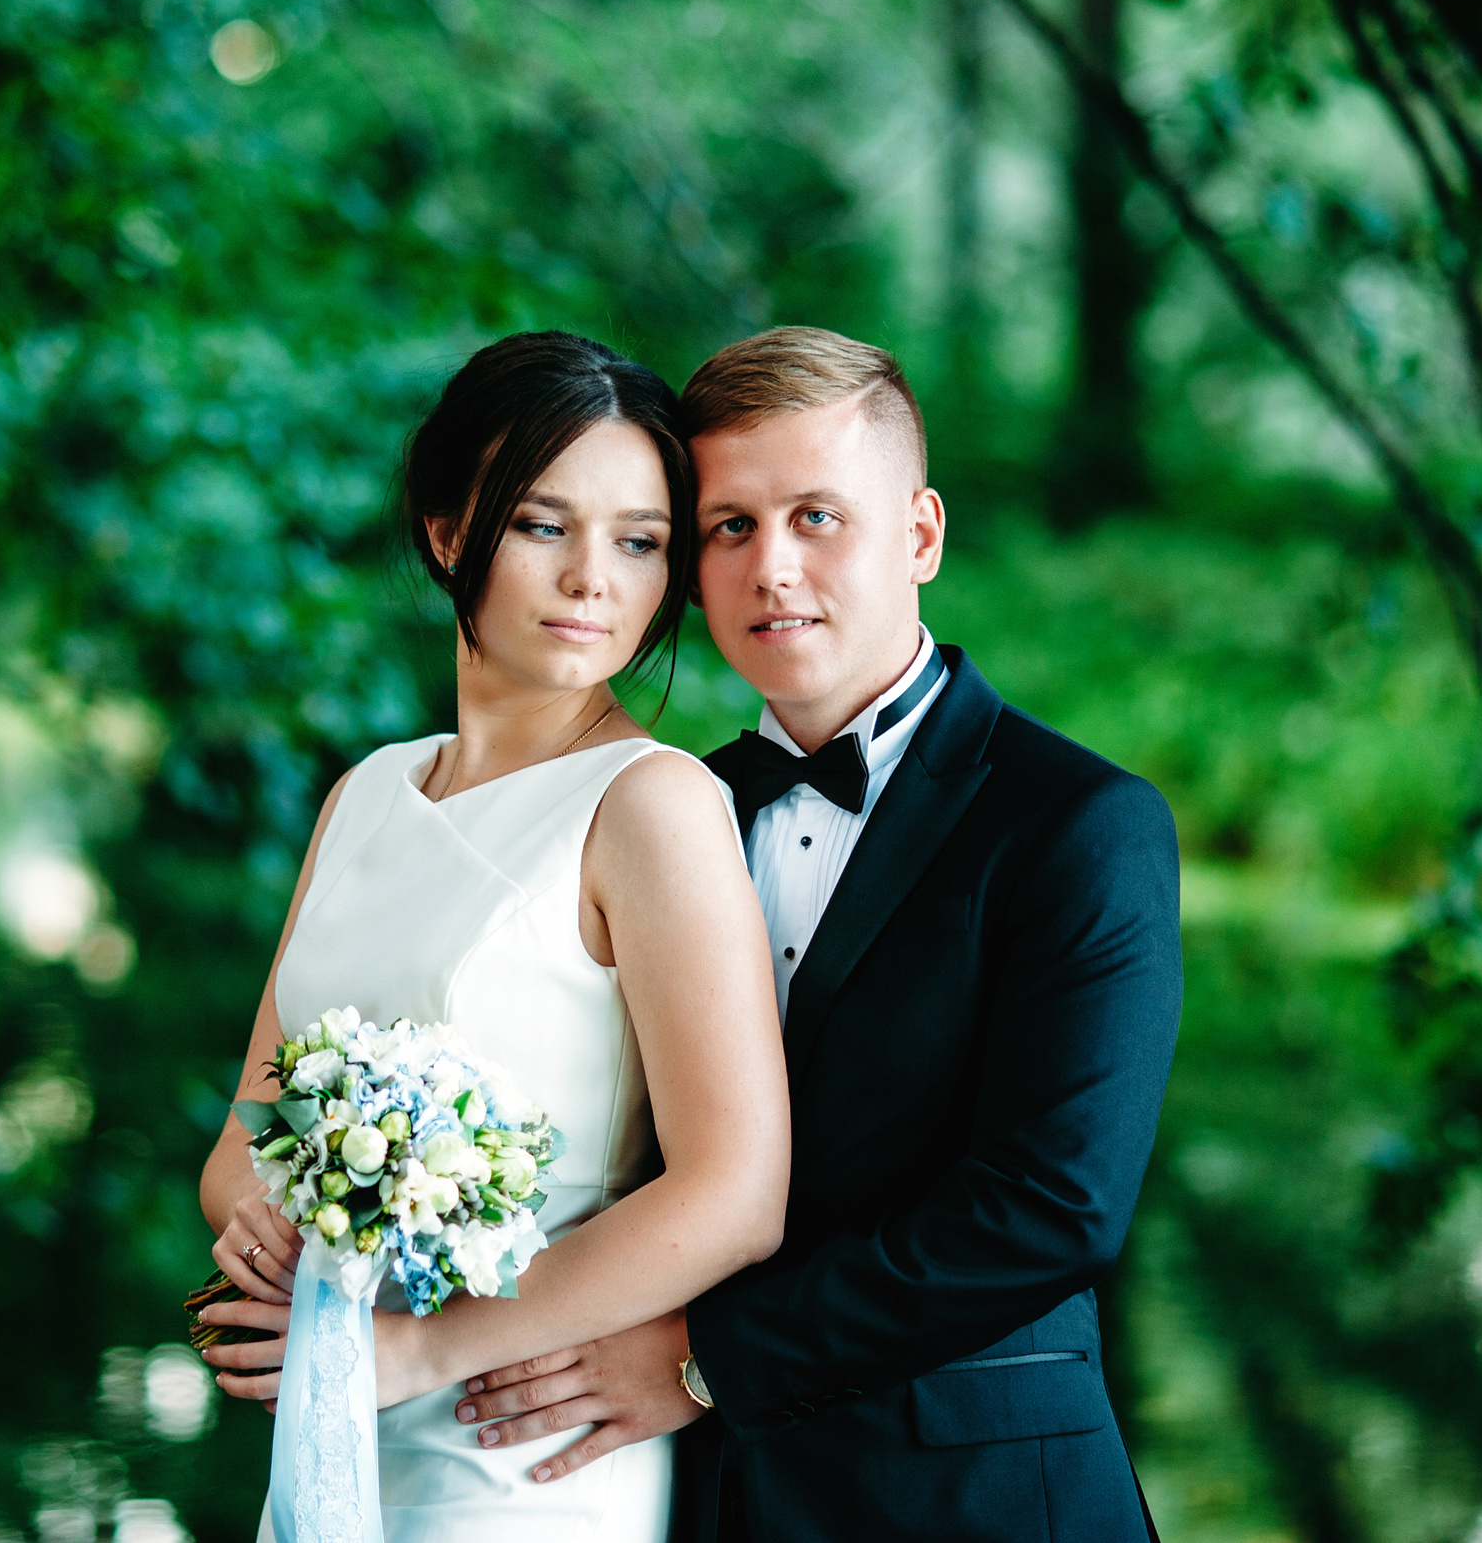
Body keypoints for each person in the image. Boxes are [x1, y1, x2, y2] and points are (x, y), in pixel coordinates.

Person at [454, 327, 1183, 1541]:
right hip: (693, 1499)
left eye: (816, 516)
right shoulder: (652, 811)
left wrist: (702, 1358)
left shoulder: (1077, 823)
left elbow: (1050, 1205)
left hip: (975, 1495)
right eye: (728, 526)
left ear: (920, 534)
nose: (770, 567)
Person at [194, 331, 790, 1543]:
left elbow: (736, 1193)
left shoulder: (653, 804)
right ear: (447, 525)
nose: (592, 580)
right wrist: (265, 1225)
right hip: (337, 1413)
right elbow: (246, 1134)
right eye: (541, 524)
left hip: (519, 1452)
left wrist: (422, 1349)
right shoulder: (368, 791)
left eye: (639, 541)